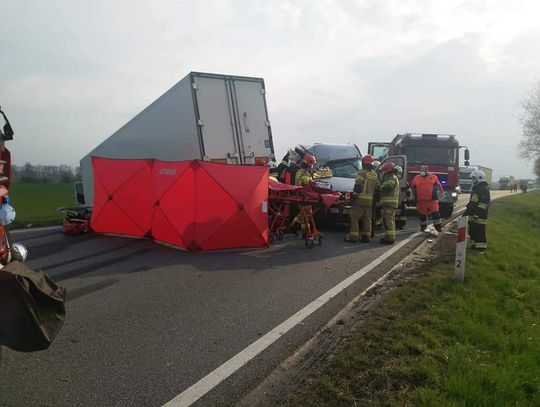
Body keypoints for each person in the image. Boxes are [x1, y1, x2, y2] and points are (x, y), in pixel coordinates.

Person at [345, 154, 379, 243]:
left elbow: (358, 186)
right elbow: (377, 188)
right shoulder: (374, 174)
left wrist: (353, 196)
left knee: (354, 218)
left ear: (364, 163)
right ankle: (366, 237)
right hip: (370, 201)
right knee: (367, 219)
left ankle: (354, 236)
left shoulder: (362, 173)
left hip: (360, 200)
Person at [463, 169, 490, 251]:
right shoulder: (477, 189)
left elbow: (483, 205)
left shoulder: (484, 190)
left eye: (474, 178)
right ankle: (474, 246)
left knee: (479, 233)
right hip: (473, 216)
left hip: (479, 217)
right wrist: (466, 214)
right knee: (473, 231)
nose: (472, 180)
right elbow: (473, 203)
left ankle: (481, 249)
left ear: (479, 178)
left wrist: (476, 215)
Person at [290, 153, 316, 235]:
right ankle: (294, 226)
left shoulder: (308, 173)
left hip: (307, 196)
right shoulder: (299, 172)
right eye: (311, 164)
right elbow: (297, 184)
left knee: (307, 214)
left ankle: (304, 231)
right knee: (305, 213)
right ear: (308, 163)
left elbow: (311, 184)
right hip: (302, 196)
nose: (312, 166)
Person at [411, 165, 443, 232]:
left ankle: (438, 227)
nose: (422, 172)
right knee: (422, 215)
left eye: (423, 170)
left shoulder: (434, 177)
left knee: (435, 214)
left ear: (427, 170)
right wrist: (413, 196)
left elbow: (439, 186)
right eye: (421, 170)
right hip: (421, 201)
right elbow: (413, 188)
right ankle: (423, 227)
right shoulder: (416, 178)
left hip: (432, 200)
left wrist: (440, 193)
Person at [379, 162, 400, 244]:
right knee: (389, 220)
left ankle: (390, 238)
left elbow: (388, 187)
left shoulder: (391, 178)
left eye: (385, 171)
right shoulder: (390, 177)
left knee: (388, 221)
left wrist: (379, 187)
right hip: (388, 203)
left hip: (390, 203)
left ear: (388, 170)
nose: (384, 172)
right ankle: (388, 236)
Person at [394, 165, 408, 229]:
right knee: (401, 212)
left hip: (397, 198)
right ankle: (400, 224)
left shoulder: (393, 178)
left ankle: (399, 223)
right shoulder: (401, 179)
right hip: (400, 198)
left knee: (400, 212)